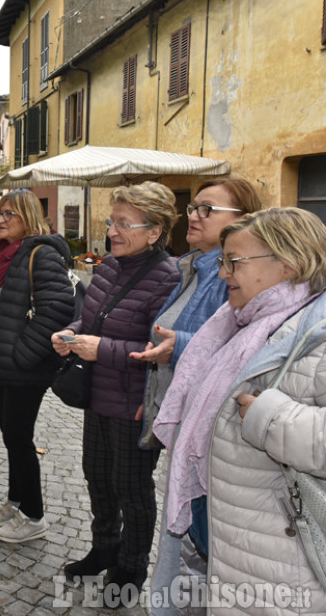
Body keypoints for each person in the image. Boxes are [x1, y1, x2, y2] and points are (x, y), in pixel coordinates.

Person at [153, 208, 326, 614]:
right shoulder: (238, 324)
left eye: (235, 261)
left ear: (290, 263)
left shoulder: (316, 335)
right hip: (233, 540)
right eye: (222, 261)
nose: (225, 272)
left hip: (283, 565)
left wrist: (270, 419)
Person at [128, 178, 261, 613]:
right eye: (194, 208)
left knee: (196, 542)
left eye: (207, 209)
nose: (195, 216)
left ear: (241, 221)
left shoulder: (234, 278)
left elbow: (227, 352)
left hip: (207, 433)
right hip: (182, 415)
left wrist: (177, 347)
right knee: (183, 545)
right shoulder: (195, 266)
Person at [53, 181, 180, 594]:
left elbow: (159, 348)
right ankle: (104, 548)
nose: (112, 231)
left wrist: (100, 349)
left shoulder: (168, 278)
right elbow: (90, 320)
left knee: (132, 490)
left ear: (155, 231)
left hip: (135, 405)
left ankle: (130, 569)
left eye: (125, 224)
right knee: (97, 478)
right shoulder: (108, 266)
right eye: (112, 222)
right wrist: (71, 333)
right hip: (99, 397)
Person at [0, 190, 75, 543]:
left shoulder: (41, 255)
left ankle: (33, 515)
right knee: (12, 437)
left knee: (20, 438)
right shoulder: (2, 253)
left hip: (23, 370)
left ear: (28, 218)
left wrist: (22, 355)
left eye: (8, 214)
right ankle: (15, 501)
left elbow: (58, 310)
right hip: (3, 366)